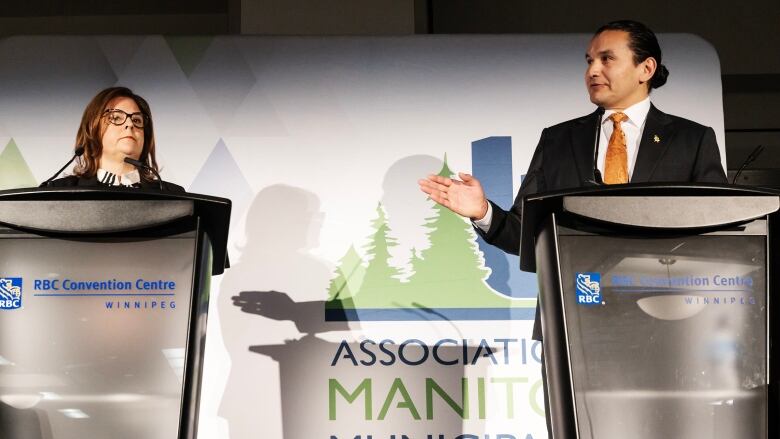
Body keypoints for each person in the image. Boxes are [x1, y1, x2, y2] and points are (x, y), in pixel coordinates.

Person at [419, 19, 728, 433]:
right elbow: (524, 232)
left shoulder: (691, 140)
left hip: (665, 322)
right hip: (574, 322)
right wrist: (482, 212)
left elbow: (717, 234)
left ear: (646, 69)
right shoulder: (559, 140)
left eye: (607, 59)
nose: (593, 70)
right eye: (588, 61)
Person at [44, 86, 184, 192]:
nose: (130, 124)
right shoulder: (59, 192)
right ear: (93, 129)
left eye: (136, 120)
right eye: (116, 117)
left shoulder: (172, 196)